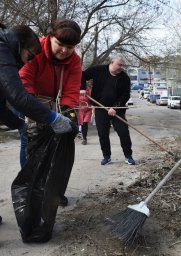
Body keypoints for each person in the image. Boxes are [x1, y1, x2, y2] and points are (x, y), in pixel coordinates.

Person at [0, 23, 74, 224]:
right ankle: (31, 188)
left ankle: (45, 190)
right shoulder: (4, 48)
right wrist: (51, 118)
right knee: (29, 147)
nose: (27, 61)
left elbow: (0, 107)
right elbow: (18, 94)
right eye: (29, 56)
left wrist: (19, 124)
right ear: (22, 46)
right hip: (32, 102)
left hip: (39, 105)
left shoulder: (9, 48)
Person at [19, 18, 82, 206]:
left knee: (58, 145)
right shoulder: (34, 49)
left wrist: (66, 113)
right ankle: (30, 186)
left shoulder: (75, 60)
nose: (64, 51)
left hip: (57, 102)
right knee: (30, 141)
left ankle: (53, 189)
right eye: (60, 44)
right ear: (50, 37)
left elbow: (71, 90)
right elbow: (24, 81)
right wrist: (35, 111)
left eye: (70, 47)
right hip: (28, 98)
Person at [82, 53, 135, 165]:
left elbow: (126, 95)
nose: (121, 67)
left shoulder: (124, 78)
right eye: (119, 64)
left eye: (123, 65)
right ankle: (106, 156)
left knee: (123, 132)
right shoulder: (98, 70)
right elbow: (82, 75)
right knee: (103, 133)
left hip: (117, 110)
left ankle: (128, 155)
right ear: (111, 62)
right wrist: (82, 88)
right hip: (100, 108)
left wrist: (115, 107)